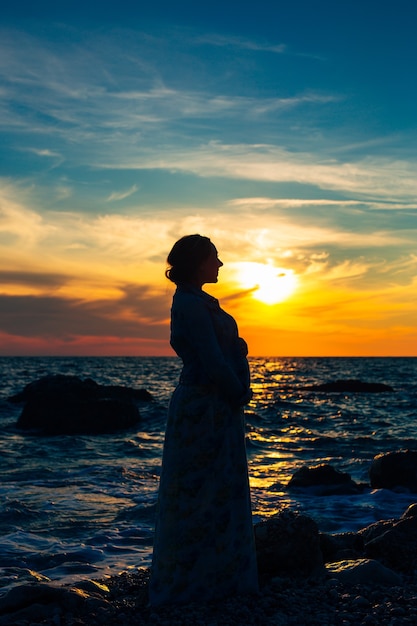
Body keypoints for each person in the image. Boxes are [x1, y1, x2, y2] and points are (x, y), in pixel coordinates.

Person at [149, 234, 259, 606]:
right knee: (199, 491)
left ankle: (218, 578)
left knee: (217, 489)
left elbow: (219, 352)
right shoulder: (191, 304)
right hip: (204, 408)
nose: (220, 264)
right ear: (198, 261)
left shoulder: (198, 301)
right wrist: (239, 392)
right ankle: (194, 584)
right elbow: (211, 361)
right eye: (215, 257)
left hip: (215, 406)